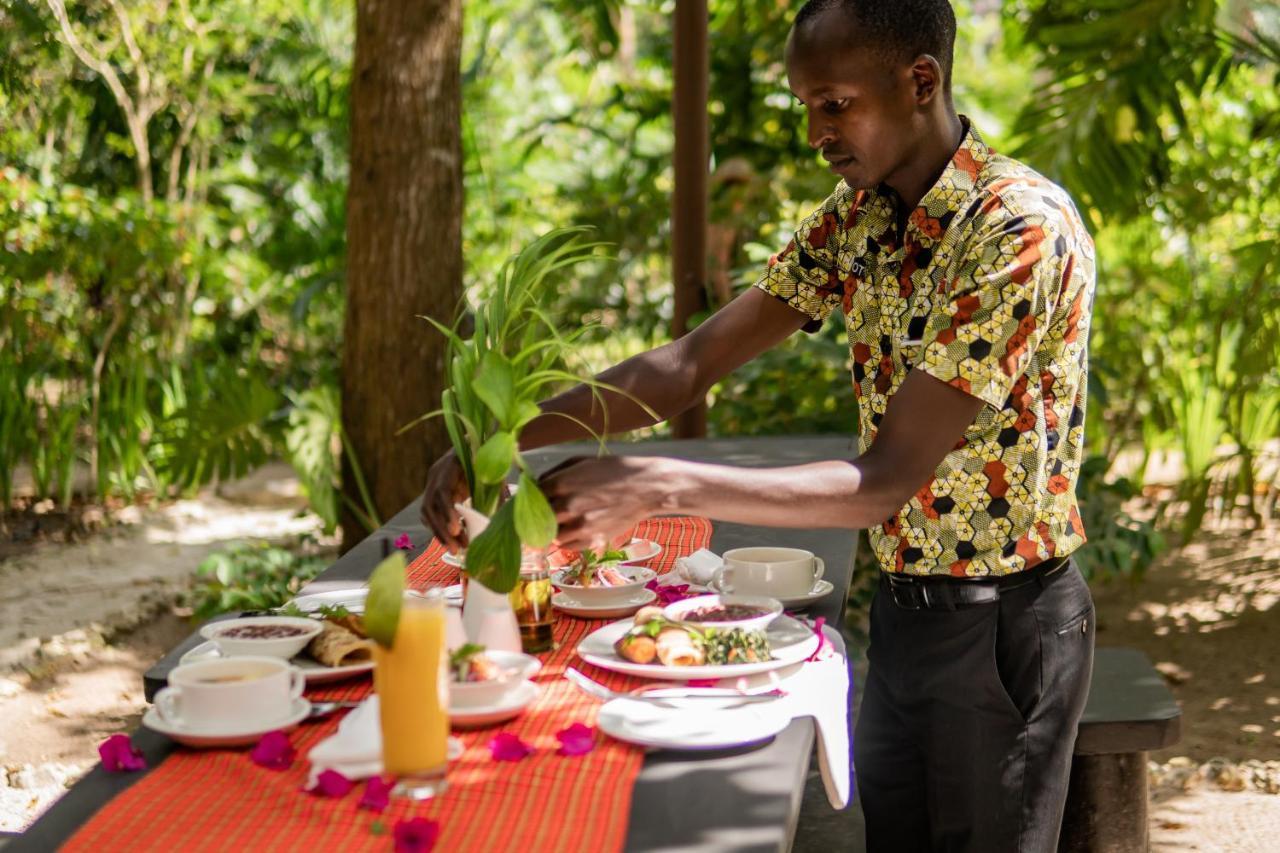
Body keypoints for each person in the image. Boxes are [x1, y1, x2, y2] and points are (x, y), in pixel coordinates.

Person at [421, 1, 1095, 849]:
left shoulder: (1016, 229)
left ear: (920, 81)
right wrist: (501, 433)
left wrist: (664, 480)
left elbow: (885, 479)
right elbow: (685, 366)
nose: (814, 131)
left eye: (833, 103)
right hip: (906, 614)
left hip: (1004, 630)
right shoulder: (858, 218)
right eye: (805, 107)